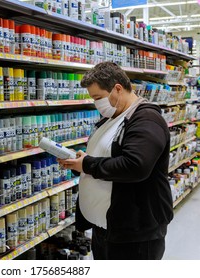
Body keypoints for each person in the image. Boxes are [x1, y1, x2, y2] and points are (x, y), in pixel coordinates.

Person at [58, 61, 174, 260]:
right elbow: (105, 158)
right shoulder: (113, 118)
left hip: (135, 235)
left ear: (117, 89)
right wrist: (79, 164)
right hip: (107, 230)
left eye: (98, 97)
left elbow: (135, 166)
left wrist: (88, 164)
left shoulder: (146, 119)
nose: (96, 104)